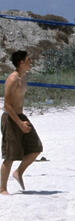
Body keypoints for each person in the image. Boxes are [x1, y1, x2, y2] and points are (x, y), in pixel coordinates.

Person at [1, 51, 43, 195]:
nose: (30, 61)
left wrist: (22, 121)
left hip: (20, 116)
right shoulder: (13, 79)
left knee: (36, 147)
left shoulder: (23, 78)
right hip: (10, 118)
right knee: (10, 155)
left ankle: (18, 172)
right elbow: (6, 105)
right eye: (28, 60)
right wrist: (19, 123)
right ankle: (2, 188)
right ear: (21, 63)